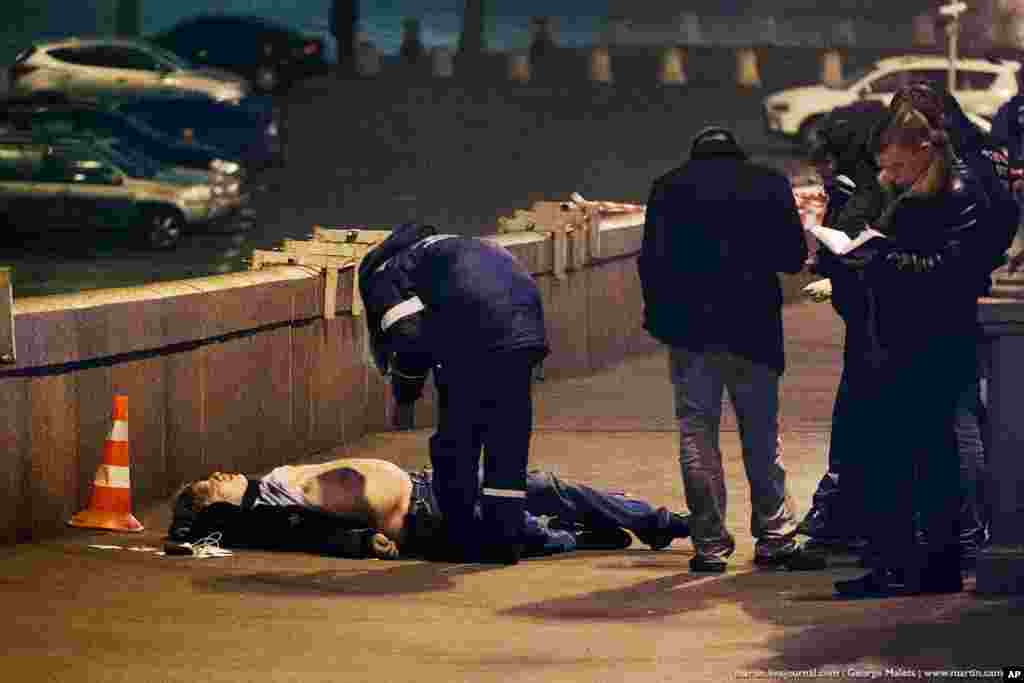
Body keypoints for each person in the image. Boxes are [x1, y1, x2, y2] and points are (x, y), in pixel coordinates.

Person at [638, 126, 822, 573]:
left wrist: (660, 319)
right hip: (753, 329)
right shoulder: (768, 183)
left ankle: (710, 546)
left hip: (690, 334)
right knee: (761, 436)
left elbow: (651, 262)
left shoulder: (668, 188)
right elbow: (793, 257)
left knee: (697, 435)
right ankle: (775, 538)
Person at [833, 100, 995, 597]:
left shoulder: (956, 194)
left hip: (930, 345)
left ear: (925, 151)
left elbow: (953, 268)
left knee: (924, 460)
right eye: (886, 166)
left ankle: (922, 566)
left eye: (899, 166)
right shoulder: (906, 193)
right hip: (902, 340)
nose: (891, 175)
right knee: (911, 459)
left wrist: (881, 260)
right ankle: (909, 564)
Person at [356, 223, 548, 565]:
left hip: (475, 337)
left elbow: (409, 337)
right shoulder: (455, 246)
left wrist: (406, 390)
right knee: (507, 441)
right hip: (525, 332)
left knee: (455, 442)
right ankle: (503, 541)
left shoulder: (385, 274)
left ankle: (458, 539)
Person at [167, 459, 693, 560]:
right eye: (208, 488)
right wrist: (361, 544)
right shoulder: (264, 517)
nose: (215, 478)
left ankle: (658, 522)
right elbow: (312, 538)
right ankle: (578, 535)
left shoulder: (269, 483)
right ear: (218, 514)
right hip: (421, 516)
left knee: (544, 484)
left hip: (428, 483)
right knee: (530, 533)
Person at [798, 109, 886, 548]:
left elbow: (852, 239)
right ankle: (846, 512)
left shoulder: (858, 188)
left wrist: (833, 268)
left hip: (873, 320)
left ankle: (844, 515)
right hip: (871, 315)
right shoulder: (873, 181)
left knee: (858, 415)